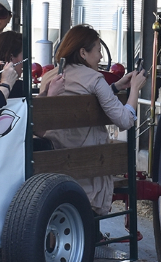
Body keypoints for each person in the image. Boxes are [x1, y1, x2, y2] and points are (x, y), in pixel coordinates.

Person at [39, 24, 145, 215]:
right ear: (83, 53)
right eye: (98, 50)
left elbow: (87, 99)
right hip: (87, 171)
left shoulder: (49, 77)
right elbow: (124, 120)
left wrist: (116, 86)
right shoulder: (94, 78)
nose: (101, 56)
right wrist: (135, 88)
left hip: (52, 165)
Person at [0, 30, 65, 99]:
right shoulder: (17, 87)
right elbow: (29, 116)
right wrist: (51, 95)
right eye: (24, 56)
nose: (25, 62)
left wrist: (44, 94)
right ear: (11, 58)